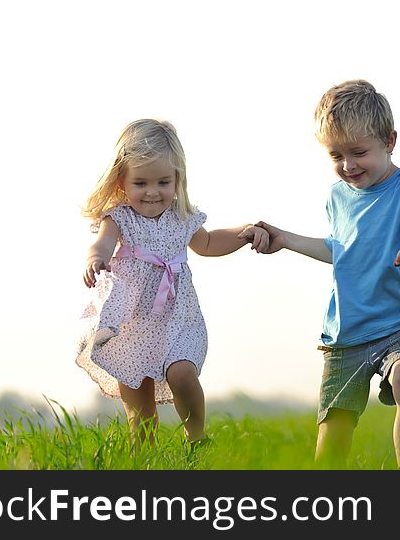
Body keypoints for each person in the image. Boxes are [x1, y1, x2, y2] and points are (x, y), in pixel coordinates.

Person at [256, 80, 400, 469]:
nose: (348, 165)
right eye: (336, 155)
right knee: (334, 431)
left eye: (359, 152)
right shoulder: (338, 196)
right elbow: (342, 251)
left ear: (390, 141)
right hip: (346, 332)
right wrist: (285, 240)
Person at [76, 118, 268, 446]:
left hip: (179, 319)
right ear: (122, 180)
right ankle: (145, 459)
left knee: (182, 373)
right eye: (141, 183)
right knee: (140, 407)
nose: (152, 192)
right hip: (133, 324)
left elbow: (208, 243)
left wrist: (243, 233)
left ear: (177, 179)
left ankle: (196, 438)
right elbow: (103, 243)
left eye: (163, 182)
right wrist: (96, 258)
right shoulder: (119, 217)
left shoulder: (182, 218)